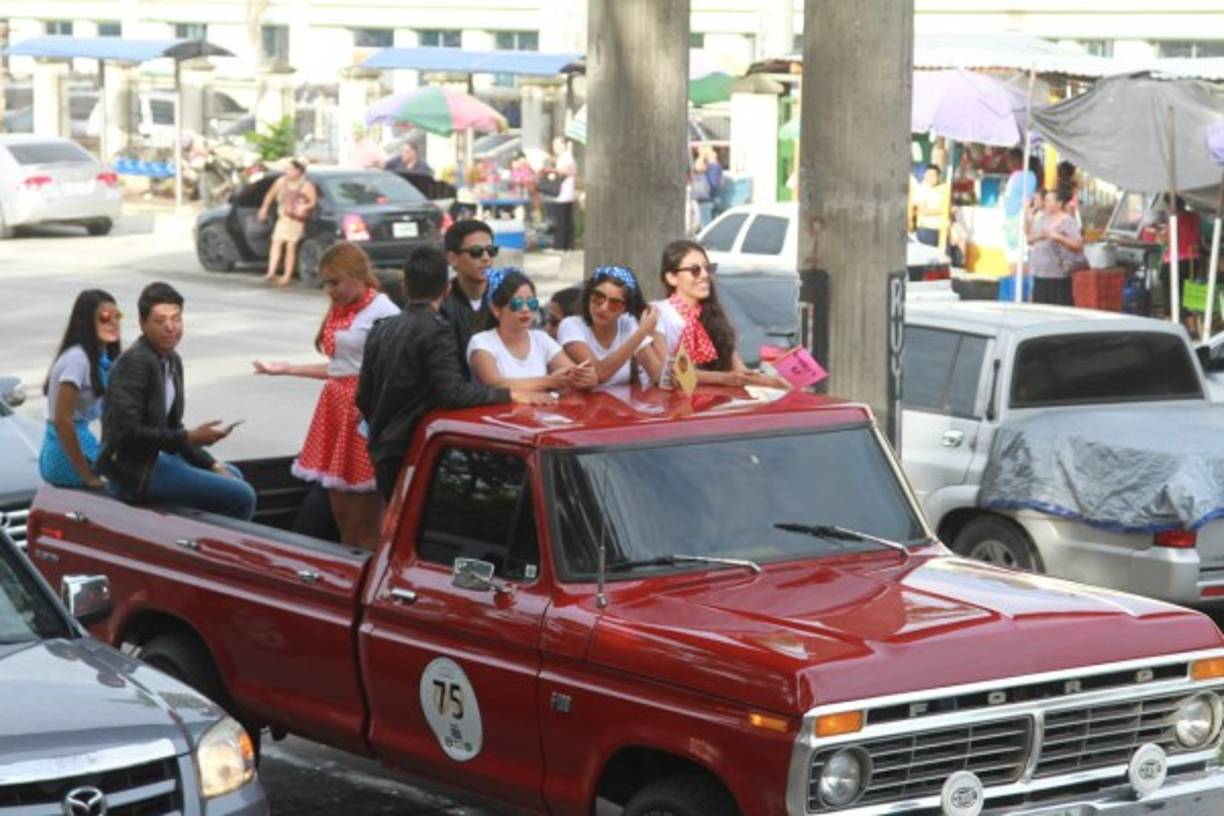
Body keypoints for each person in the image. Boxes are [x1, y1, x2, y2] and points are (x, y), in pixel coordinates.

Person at [356, 246, 551, 501]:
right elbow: (454, 393)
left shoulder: (381, 328)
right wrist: (510, 395)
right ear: (446, 291)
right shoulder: (437, 330)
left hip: (382, 447)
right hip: (415, 449)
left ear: (405, 288)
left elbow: (363, 396)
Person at [253, 242, 398, 550]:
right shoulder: (343, 308)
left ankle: (365, 576)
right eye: (325, 283)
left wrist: (374, 409)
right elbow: (339, 369)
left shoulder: (384, 311)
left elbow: (396, 372)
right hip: (336, 409)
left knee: (367, 518)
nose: (330, 290)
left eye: (335, 282)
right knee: (343, 513)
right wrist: (287, 369)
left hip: (364, 415)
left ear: (359, 276)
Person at [96, 282, 256, 520]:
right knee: (243, 496)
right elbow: (126, 433)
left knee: (232, 474)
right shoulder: (135, 363)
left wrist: (211, 464)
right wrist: (189, 438)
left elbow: (172, 428)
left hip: (159, 458)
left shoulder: (172, 360)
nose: (170, 327)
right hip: (135, 471)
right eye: (160, 321)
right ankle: (218, 554)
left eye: (176, 319)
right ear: (142, 323)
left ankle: (200, 540)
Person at [652, 240, 788, 388]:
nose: (705, 275)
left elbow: (740, 373)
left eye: (708, 268)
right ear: (671, 277)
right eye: (695, 270)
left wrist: (779, 383)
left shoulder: (714, 317)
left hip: (708, 405)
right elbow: (671, 371)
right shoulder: (656, 313)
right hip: (665, 405)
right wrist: (723, 378)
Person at [38, 290, 123, 488]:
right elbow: (62, 421)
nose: (114, 322)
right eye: (105, 317)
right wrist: (87, 475)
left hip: (82, 443)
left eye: (117, 316)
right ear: (86, 321)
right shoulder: (77, 359)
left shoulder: (101, 359)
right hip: (65, 452)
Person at [468, 267, 597, 391]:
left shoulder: (541, 339)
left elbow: (572, 373)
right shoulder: (482, 342)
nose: (525, 310)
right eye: (517, 304)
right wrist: (549, 381)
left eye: (531, 303)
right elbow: (495, 385)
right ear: (495, 309)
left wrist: (586, 377)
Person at [558, 266, 664, 386]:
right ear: (589, 295)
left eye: (614, 304)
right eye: (598, 297)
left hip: (619, 403)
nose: (603, 308)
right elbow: (600, 373)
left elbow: (656, 374)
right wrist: (642, 331)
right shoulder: (571, 325)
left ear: (625, 309)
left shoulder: (627, 323)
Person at [440, 219, 498, 376]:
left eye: (491, 250)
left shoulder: (506, 299)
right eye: (476, 252)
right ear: (453, 259)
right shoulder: (440, 305)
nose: (486, 258)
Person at [257, 159, 317, 287]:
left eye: (289, 169)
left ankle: (287, 275)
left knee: (290, 246)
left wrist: (305, 207)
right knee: (276, 242)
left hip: (296, 220)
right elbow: (269, 195)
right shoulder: (281, 182)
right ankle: (271, 272)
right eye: (286, 169)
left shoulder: (306, 185)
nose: (286, 172)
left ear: (298, 171)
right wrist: (264, 208)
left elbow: (312, 202)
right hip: (283, 218)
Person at [1027, 184, 1085, 306]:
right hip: (1040, 274)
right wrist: (1041, 235)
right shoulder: (1042, 219)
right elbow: (1030, 239)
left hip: (1058, 275)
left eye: (1049, 200)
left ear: (1059, 203)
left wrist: (1059, 237)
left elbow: (1078, 245)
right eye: (1045, 200)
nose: (1045, 203)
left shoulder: (1068, 221)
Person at [1002, 148, 1038, 268]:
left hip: (1019, 218)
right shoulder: (1014, 176)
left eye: (1011, 160)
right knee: (1011, 256)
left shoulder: (1028, 176)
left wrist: (1026, 220)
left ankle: (1022, 284)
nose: (1008, 163)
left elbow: (1027, 201)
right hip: (1009, 220)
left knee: (1021, 257)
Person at [547, 137, 577, 250]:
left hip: (564, 194)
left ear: (563, 145)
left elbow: (569, 171)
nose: (555, 148)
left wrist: (551, 170)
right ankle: (566, 245)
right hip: (563, 193)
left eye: (557, 145)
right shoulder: (563, 157)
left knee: (561, 222)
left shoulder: (567, 157)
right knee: (564, 221)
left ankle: (560, 246)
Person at [911, 164, 948, 248]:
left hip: (941, 228)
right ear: (925, 176)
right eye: (928, 175)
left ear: (938, 177)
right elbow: (923, 211)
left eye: (933, 175)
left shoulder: (942, 189)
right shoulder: (921, 190)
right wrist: (942, 211)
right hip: (927, 229)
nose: (930, 178)